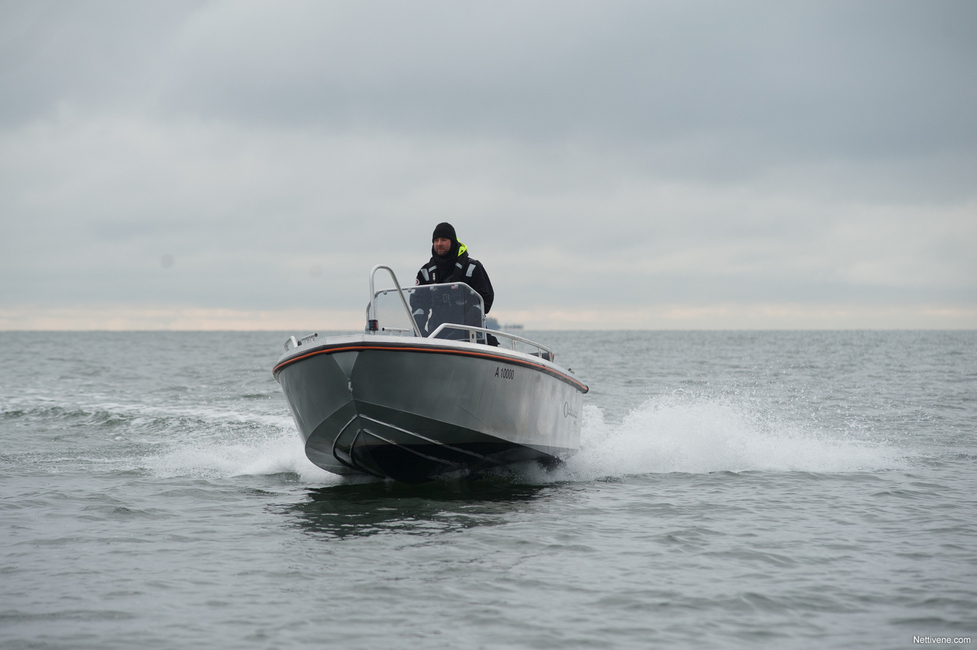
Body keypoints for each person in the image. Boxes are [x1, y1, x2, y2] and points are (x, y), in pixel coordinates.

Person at [412, 222, 495, 340]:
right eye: (436, 240)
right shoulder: (425, 273)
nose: (439, 243)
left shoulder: (472, 268)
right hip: (436, 336)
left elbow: (485, 299)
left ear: (452, 241)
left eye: (443, 239)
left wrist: (471, 318)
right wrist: (419, 331)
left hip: (470, 337)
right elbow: (418, 303)